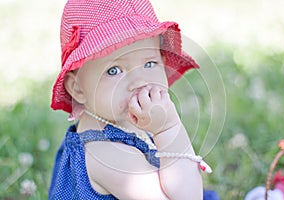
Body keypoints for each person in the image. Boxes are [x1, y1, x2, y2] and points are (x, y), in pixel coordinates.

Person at [49, 0, 217, 199]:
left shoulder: (120, 123)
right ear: (77, 88)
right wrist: (168, 129)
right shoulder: (107, 152)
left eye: (149, 63)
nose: (139, 81)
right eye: (114, 70)